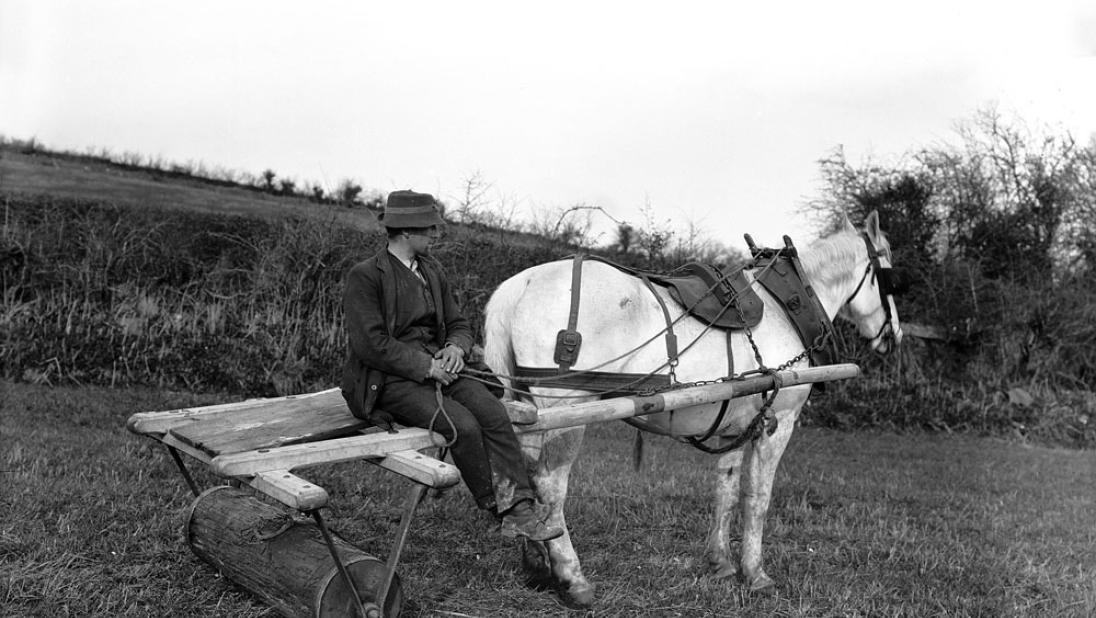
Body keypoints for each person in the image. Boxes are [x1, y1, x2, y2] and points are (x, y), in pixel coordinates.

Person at [341, 189, 562, 542]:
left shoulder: (432, 270)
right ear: (407, 232)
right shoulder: (366, 276)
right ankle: (496, 506)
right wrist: (426, 367)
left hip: (443, 368)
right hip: (389, 380)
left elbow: (459, 323)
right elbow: (371, 345)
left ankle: (519, 509)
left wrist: (456, 349)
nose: (434, 235)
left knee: (492, 413)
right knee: (463, 425)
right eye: (429, 229)